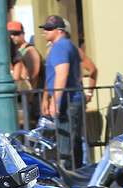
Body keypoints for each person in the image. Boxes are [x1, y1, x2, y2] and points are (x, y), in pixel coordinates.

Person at [40, 15, 83, 168]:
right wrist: (46, 97)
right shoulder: (67, 45)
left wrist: (55, 101)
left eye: (49, 29)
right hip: (70, 98)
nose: (45, 31)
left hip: (67, 101)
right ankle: (76, 172)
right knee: (73, 142)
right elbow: (77, 74)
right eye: (45, 28)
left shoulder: (60, 46)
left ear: (59, 30)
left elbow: (62, 74)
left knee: (66, 145)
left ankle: (70, 175)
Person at [8, 20, 43, 127]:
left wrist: (29, 102)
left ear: (23, 34)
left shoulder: (30, 51)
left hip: (32, 100)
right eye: (9, 34)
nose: (12, 37)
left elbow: (33, 78)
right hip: (21, 100)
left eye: (16, 34)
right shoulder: (13, 52)